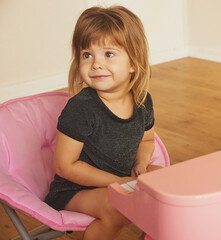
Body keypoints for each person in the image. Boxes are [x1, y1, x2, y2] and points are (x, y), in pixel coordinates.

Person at [45, 5, 161, 240]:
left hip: (122, 178)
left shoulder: (141, 100)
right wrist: (119, 181)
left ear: (133, 63)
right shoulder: (82, 108)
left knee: (166, 184)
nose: (96, 63)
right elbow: (65, 166)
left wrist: (140, 164)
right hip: (76, 190)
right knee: (117, 208)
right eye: (87, 55)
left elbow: (147, 138)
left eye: (108, 54)